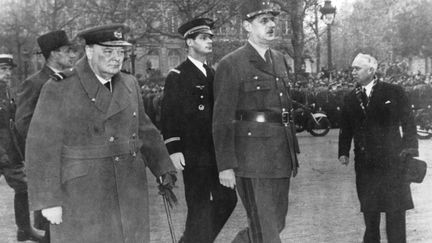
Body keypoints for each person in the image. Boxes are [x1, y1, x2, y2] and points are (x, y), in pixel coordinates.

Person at [24, 24, 177, 243]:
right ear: (88, 51)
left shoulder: (130, 83)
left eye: (120, 52)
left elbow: (144, 129)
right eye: (108, 51)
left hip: (129, 187)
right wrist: (48, 201)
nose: (116, 58)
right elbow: (41, 146)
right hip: (82, 192)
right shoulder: (59, 87)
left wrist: (163, 167)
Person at [212, 0, 300, 242]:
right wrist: (225, 165)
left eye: (273, 20)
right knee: (267, 228)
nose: (272, 25)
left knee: (276, 222)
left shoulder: (280, 59)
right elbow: (221, 118)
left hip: (281, 154)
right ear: (247, 26)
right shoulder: (232, 63)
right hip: (251, 158)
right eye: (264, 21)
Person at [161, 18, 237, 243]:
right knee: (198, 205)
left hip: (215, 152)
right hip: (192, 153)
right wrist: (174, 149)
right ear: (190, 42)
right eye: (203, 38)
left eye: (210, 38)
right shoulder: (178, 75)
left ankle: (192, 240)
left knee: (228, 200)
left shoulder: (212, 74)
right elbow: (169, 115)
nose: (209, 42)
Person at [338, 53, 418, 243]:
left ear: (371, 70)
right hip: (366, 165)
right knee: (370, 213)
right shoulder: (350, 98)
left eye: (357, 69)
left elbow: (409, 121)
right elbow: (346, 127)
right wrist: (343, 151)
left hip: (393, 162)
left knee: (395, 213)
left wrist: (410, 148)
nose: (353, 73)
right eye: (352, 69)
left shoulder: (394, 91)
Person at [15, 29, 77, 243]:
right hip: (51, 164)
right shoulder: (34, 83)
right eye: (68, 51)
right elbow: (24, 125)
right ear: (53, 53)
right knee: (53, 228)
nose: (73, 55)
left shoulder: (73, 80)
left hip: (75, 164)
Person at [0, 54, 43, 241]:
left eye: (9, 70)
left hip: (9, 152)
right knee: (23, 186)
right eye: (3, 69)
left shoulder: (6, 91)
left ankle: (24, 229)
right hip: (3, 152)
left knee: (23, 187)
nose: (7, 73)